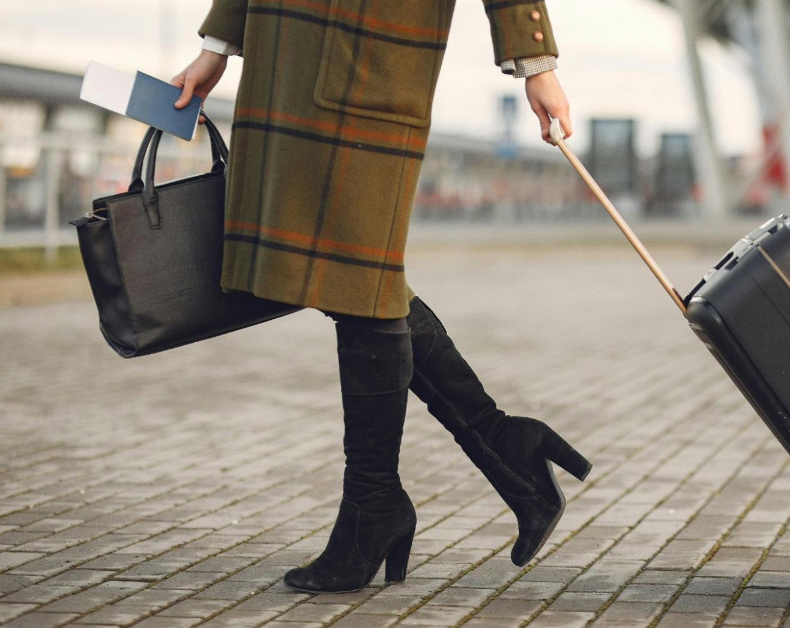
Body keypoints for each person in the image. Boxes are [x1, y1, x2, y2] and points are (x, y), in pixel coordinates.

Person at [170, 0, 592, 594]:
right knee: (351, 277)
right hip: (282, 56)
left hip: (370, 54)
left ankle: (383, 501)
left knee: (361, 278)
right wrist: (218, 45)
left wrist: (536, 62)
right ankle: (499, 450)